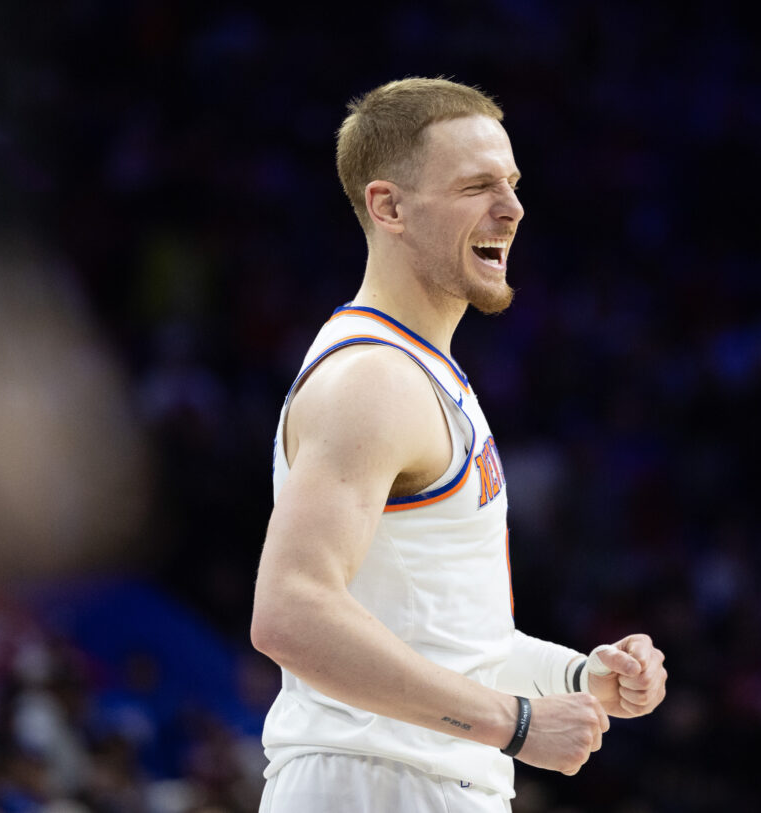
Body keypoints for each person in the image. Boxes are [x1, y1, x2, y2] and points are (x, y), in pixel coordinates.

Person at [249, 77, 668, 813]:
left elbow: (449, 639)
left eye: (511, 183)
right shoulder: (373, 379)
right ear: (389, 206)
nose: (511, 208)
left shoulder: (422, 374)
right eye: (477, 186)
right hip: (375, 784)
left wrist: (576, 677)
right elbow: (290, 610)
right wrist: (516, 722)